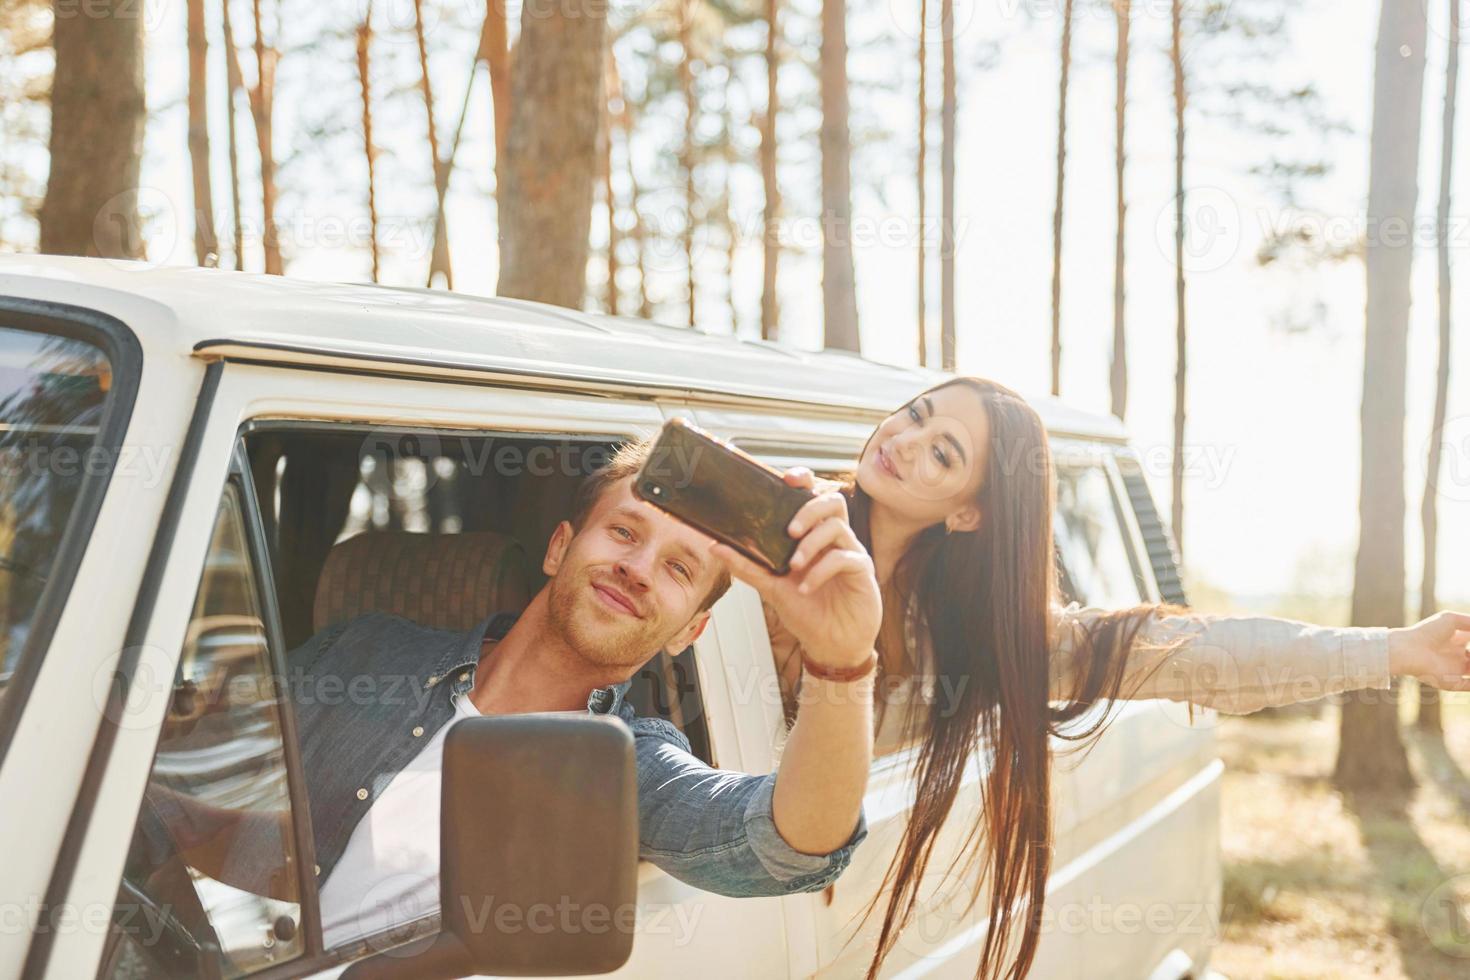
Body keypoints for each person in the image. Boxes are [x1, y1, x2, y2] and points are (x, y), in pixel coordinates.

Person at [761, 376, 1470, 980]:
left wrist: (1393, 651)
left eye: (942, 453)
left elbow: (1199, 653)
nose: (905, 442)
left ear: (969, 511)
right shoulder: (777, 528)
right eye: (914, 416)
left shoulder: (979, 635)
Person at [141, 437, 881, 949]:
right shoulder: (364, 650)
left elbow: (785, 844)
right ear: (560, 547)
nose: (638, 568)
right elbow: (168, 773)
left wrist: (842, 659)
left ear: (690, 632)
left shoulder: (622, 769)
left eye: (680, 570)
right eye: (624, 532)